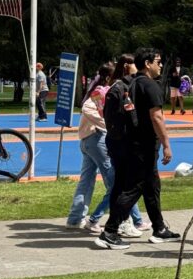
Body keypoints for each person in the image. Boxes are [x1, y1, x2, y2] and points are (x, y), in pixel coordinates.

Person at [95, 48, 178, 250]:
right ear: (147, 63)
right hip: (144, 145)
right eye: (157, 61)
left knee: (151, 185)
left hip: (132, 142)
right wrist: (166, 144)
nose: (160, 65)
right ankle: (110, 230)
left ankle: (159, 228)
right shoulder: (149, 85)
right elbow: (157, 117)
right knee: (135, 187)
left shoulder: (133, 83)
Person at [66, 68, 145, 238]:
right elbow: (89, 108)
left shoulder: (103, 91)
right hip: (97, 139)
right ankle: (124, 220)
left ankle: (75, 219)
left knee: (87, 181)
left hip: (89, 140)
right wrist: (108, 124)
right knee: (116, 183)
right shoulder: (105, 91)